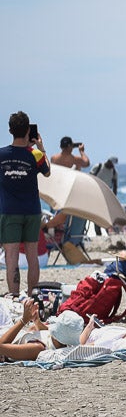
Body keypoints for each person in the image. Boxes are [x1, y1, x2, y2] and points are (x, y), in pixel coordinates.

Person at [1, 112, 51, 295]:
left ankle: (14, 296)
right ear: (29, 130)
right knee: (32, 255)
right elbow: (47, 172)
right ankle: (31, 296)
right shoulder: (35, 154)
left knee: (12, 256)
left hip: (9, 211)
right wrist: (41, 147)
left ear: (10, 130)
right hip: (32, 211)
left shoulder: (2, 154)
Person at [0, 299, 84, 362]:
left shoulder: (37, 348)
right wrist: (37, 321)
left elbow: (1, 347)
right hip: (6, 330)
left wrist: (23, 320)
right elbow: (43, 330)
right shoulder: (62, 343)